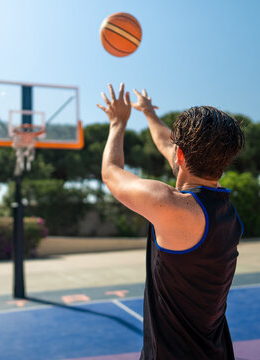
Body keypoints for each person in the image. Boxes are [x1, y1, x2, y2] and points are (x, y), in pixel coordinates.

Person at [97, 83, 245, 360]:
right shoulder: (228, 213)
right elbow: (169, 146)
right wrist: (149, 113)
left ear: (180, 156)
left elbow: (111, 172)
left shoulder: (173, 205)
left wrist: (118, 123)